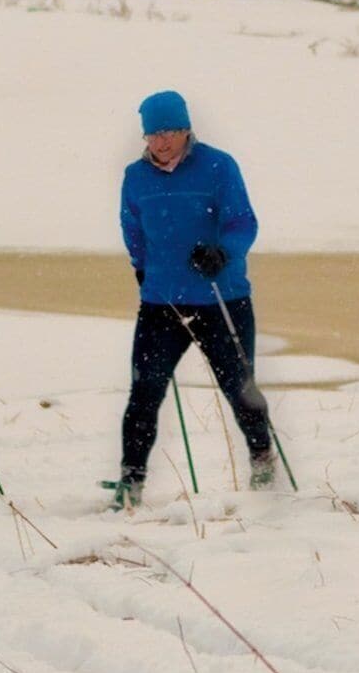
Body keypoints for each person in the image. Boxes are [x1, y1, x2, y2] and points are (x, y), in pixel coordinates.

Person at [107, 88, 278, 509]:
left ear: (187, 131)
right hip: (161, 301)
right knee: (144, 392)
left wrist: (224, 251)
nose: (162, 142)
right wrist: (141, 265)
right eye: (154, 134)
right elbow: (132, 226)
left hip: (222, 297)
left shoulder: (218, 167)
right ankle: (132, 480)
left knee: (239, 388)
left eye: (171, 132)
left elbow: (243, 221)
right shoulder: (136, 176)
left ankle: (262, 459)